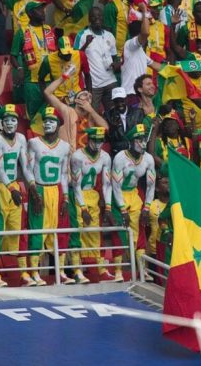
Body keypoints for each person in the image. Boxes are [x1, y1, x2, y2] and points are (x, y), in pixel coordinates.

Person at [0, 105, 32, 287]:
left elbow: (25, 165)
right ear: (1, 123)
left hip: (14, 185)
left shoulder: (21, 138)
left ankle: (24, 272)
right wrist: (11, 188)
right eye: (6, 120)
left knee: (18, 229)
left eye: (13, 120)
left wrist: (32, 186)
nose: (10, 123)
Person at [26, 107, 71, 286]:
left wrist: (66, 197)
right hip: (40, 189)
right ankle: (34, 273)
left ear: (59, 124)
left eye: (51, 121)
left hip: (57, 190)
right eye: (45, 121)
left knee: (58, 231)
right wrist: (33, 190)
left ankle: (61, 272)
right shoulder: (34, 143)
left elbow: (64, 174)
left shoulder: (65, 147)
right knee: (38, 231)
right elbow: (28, 169)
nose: (47, 124)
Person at [110, 124, 155, 282]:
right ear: (131, 141)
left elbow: (151, 185)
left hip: (134, 194)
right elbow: (115, 185)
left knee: (139, 232)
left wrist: (146, 208)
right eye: (139, 140)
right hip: (119, 195)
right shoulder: (120, 158)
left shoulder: (148, 159)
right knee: (120, 232)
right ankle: (118, 271)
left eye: (144, 140)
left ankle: (143, 270)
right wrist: (122, 209)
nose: (142, 143)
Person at [69, 127, 112, 283]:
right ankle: (76, 270)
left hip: (93, 195)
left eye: (101, 141)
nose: (98, 144)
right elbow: (76, 185)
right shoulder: (78, 157)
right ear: (88, 139)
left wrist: (108, 206)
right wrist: (83, 208)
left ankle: (101, 268)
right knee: (77, 232)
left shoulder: (105, 157)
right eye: (95, 140)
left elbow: (107, 184)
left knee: (94, 232)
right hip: (77, 197)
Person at [74, 6, 119, 112]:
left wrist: (116, 64)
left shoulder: (110, 36)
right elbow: (74, 57)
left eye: (99, 16)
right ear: (89, 19)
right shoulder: (82, 35)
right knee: (91, 114)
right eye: (93, 17)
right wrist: (86, 44)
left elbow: (114, 57)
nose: (97, 19)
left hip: (110, 81)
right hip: (93, 85)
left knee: (113, 113)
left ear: (103, 18)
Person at [105, 87, 145, 156]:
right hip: (118, 153)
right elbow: (108, 139)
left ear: (126, 99)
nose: (119, 104)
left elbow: (141, 135)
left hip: (136, 151)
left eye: (122, 100)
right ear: (113, 102)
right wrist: (113, 128)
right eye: (116, 101)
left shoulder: (138, 113)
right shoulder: (108, 115)